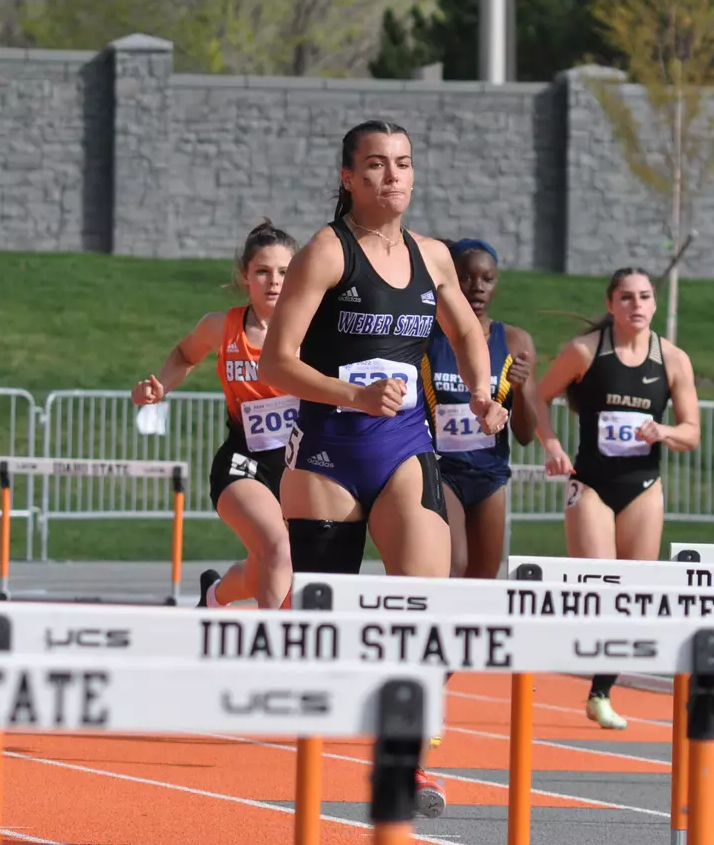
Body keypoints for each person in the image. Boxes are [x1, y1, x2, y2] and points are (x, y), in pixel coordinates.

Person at [258, 120, 507, 818]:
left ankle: (410, 767)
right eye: (375, 166)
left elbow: (464, 331)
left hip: (403, 445)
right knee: (325, 626)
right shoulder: (325, 254)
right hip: (331, 449)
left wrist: (482, 392)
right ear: (348, 177)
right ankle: (307, 793)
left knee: (425, 605)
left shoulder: (432, 257)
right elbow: (279, 360)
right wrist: (353, 394)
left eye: (402, 164)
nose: (391, 177)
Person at [531, 267, 701, 730]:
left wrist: (664, 430)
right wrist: (551, 445)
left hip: (643, 487)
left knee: (631, 596)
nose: (637, 305)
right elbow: (537, 395)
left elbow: (691, 432)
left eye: (645, 297)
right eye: (626, 298)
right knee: (596, 588)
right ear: (611, 304)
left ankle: (601, 692)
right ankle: (550, 648)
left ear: (654, 303)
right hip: (591, 485)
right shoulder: (585, 352)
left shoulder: (673, 360)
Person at [131, 220, 297, 609]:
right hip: (243, 463)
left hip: (301, 468)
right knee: (278, 549)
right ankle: (276, 655)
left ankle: (214, 595)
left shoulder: (314, 329)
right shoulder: (221, 326)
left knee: (268, 565)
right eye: (262, 272)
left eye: (285, 272)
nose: (274, 282)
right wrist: (160, 388)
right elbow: (185, 354)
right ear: (245, 276)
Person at [421, 238, 540, 579]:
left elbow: (526, 434)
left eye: (487, 279)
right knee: (454, 564)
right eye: (467, 277)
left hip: (490, 475)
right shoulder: (428, 335)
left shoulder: (515, 341)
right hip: (442, 470)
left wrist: (522, 389)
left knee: (485, 576)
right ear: (450, 278)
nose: (477, 287)